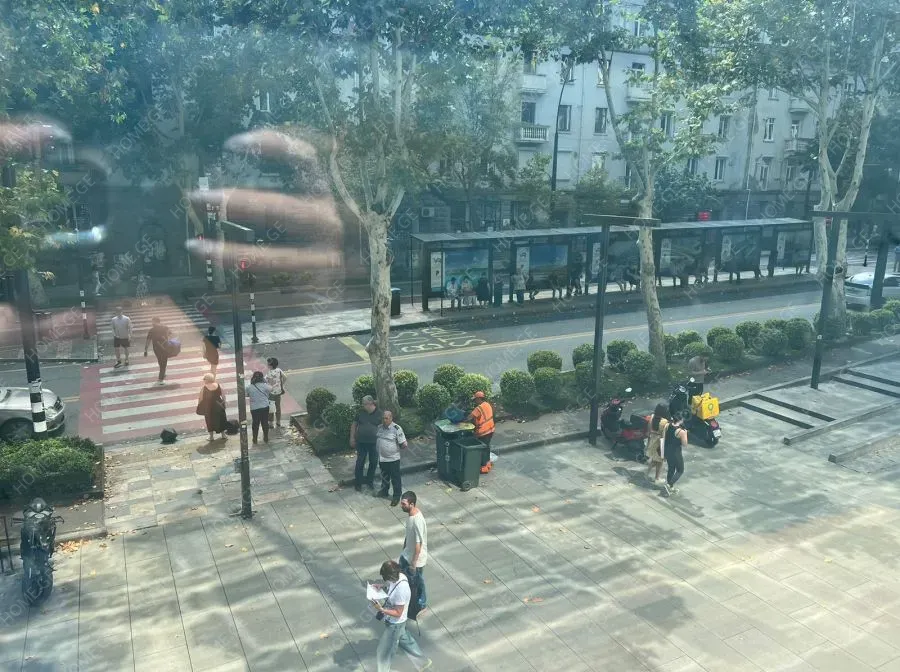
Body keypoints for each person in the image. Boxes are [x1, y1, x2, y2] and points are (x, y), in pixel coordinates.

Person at [371, 560, 432, 672]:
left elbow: (398, 612)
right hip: (399, 623)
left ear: (391, 576)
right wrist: (381, 587)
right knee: (406, 640)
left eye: (386, 577)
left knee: (385, 651)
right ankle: (422, 662)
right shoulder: (399, 576)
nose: (385, 580)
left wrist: (381, 609)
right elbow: (391, 586)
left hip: (395, 623)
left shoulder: (401, 591)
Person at [398, 491, 428, 613]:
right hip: (406, 554)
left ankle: (422, 604)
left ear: (412, 504)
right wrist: (404, 547)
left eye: (404, 504)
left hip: (415, 559)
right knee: (401, 575)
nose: (401, 506)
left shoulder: (417, 520)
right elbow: (409, 534)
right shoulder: (411, 515)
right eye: (401, 503)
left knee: (418, 582)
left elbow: (418, 544)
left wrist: (414, 564)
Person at [375, 410, 407, 506]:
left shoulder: (396, 429)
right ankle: (384, 491)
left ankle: (396, 496)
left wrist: (403, 444)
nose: (384, 420)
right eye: (383, 418)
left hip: (393, 459)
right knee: (384, 477)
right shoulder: (379, 427)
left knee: (395, 478)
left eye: (386, 418)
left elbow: (403, 443)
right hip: (382, 458)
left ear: (391, 418)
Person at [351, 395, 380, 492]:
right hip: (361, 442)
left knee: (373, 462)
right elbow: (354, 425)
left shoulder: (379, 413)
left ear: (370, 403)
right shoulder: (360, 412)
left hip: (374, 443)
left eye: (364, 404)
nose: (363, 406)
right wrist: (352, 438)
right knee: (360, 462)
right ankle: (358, 483)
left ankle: (369, 481)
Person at [466, 390, 495, 474]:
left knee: (482, 449)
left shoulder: (478, 408)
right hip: (491, 429)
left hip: (483, 432)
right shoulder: (487, 404)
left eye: (475, 399)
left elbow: (469, 417)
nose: (474, 401)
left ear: (479, 399)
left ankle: (484, 467)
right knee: (487, 447)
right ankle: (488, 463)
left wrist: (461, 421)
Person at [661, 417, 689, 496]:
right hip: (676, 453)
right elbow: (685, 444)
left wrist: (663, 453)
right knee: (680, 470)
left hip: (667, 451)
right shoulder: (681, 432)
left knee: (671, 468)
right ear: (681, 420)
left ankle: (670, 488)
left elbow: (663, 438)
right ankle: (669, 485)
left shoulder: (667, 426)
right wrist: (686, 434)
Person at [197, 373, 227, 441]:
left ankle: (211, 436)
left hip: (208, 406)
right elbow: (223, 395)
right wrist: (223, 403)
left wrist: (199, 405)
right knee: (221, 419)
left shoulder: (204, 388)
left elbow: (200, 398)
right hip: (218, 405)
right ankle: (223, 434)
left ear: (207, 380)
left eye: (204, 379)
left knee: (209, 420)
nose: (203, 380)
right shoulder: (218, 385)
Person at [645, 403, 670, 484]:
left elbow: (648, 431)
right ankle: (657, 478)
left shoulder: (652, 417)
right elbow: (664, 435)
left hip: (652, 440)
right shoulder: (665, 422)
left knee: (654, 459)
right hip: (660, 442)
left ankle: (647, 473)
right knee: (660, 461)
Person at [143, 317, 171, 385]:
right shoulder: (165, 327)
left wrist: (145, 350)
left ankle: (160, 378)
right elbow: (169, 334)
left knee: (161, 361)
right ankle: (162, 373)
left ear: (155, 322)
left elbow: (148, 341)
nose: (152, 323)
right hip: (164, 348)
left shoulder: (152, 330)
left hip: (157, 349)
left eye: (152, 322)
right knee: (163, 362)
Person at [246, 371, 272, 444]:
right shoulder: (264, 385)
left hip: (254, 408)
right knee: (265, 422)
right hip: (264, 407)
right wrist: (266, 382)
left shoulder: (249, 387)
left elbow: (246, 394)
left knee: (255, 423)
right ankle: (266, 437)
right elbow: (271, 389)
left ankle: (255, 439)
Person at [265, 357, 287, 429]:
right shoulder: (279, 370)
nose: (267, 365)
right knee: (278, 407)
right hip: (278, 392)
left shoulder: (268, 373)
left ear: (270, 366)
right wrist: (281, 385)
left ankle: (271, 423)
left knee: (271, 408)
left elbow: (265, 382)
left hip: (271, 393)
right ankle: (278, 422)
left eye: (268, 364)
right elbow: (285, 377)